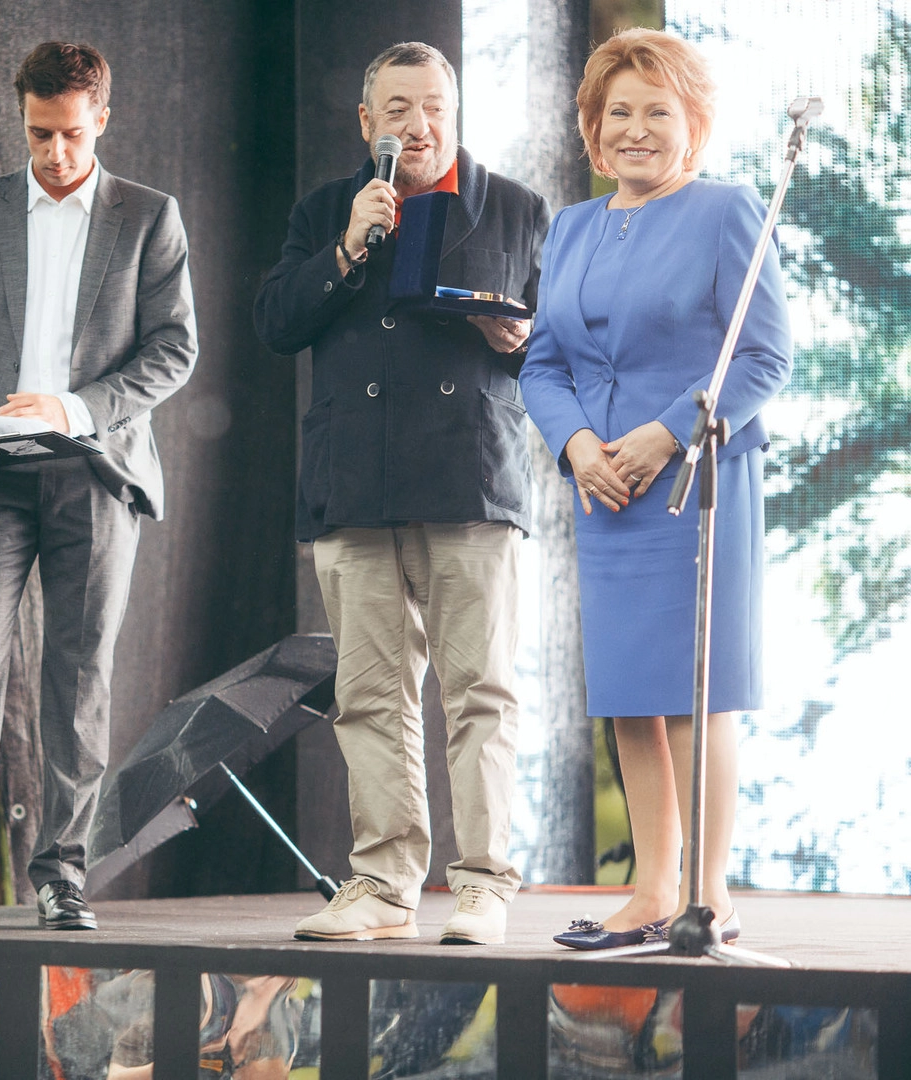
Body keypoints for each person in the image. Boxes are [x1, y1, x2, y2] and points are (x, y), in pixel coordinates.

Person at [254, 42, 549, 945]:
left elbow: (560, 350)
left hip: (469, 477)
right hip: (354, 480)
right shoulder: (325, 211)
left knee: (480, 694)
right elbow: (276, 323)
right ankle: (383, 887)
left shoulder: (516, 207)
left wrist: (519, 340)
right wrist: (348, 246)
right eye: (397, 110)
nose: (417, 126)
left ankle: (484, 885)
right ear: (366, 122)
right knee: (370, 698)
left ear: (453, 114)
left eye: (433, 108)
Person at [0, 41, 197, 933]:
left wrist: (73, 408)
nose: (55, 152)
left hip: (95, 472)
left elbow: (174, 351)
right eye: (38, 133)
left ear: (101, 118)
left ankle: (64, 875)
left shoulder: (150, 216)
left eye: (71, 133)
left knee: (79, 676)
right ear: (22, 120)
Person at [519, 28, 790, 950]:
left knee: (693, 694)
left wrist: (666, 432)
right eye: (618, 112)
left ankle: (707, 897)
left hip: (696, 484)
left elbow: (763, 357)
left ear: (693, 125)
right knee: (630, 696)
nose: (635, 129)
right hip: (605, 491)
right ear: (594, 129)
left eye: (657, 112)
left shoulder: (727, 212)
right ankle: (649, 891)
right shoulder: (571, 227)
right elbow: (543, 365)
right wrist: (578, 446)